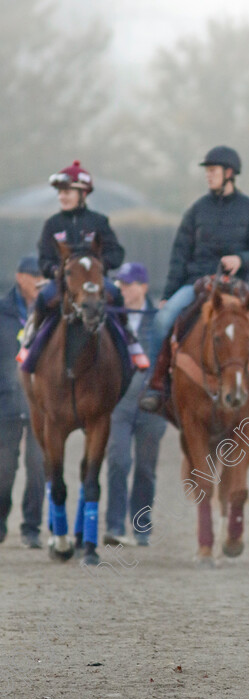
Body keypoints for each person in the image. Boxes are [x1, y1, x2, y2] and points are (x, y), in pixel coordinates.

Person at [140, 145, 249, 412]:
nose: (208, 176)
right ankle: (154, 385)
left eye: (212, 171)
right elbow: (179, 256)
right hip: (196, 283)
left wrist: (241, 260)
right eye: (207, 171)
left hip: (238, 285)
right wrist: (167, 296)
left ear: (229, 173)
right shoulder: (196, 210)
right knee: (162, 321)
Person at [21, 160, 146, 368]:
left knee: (115, 295)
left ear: (84, 194)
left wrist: (99, 267)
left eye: (67, 192)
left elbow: (116, 252)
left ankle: (131, 342)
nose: (62, 197)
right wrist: (54, 271)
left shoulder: (99, 222)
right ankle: (30, 342)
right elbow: (44, 258)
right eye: (60, 193)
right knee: (43, 297)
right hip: (64, 282)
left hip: (94, 280)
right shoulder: (52, 224)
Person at [103, 263, 166, 547]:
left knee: (145, 468)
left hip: (152, 406)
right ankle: (114, 526)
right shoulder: (111, 319)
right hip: (118, 404)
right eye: (120, 285)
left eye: (127, 284)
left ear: (143, 286)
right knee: (117, 460)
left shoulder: (161, 320)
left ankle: (141, 527)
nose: (122, 290)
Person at [0, 256, 45, 548]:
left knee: (38, 466)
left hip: (40, 404)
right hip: (6, 402)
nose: (40, 282)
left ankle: (31, 529)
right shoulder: (2, 312)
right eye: (34, 276)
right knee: (5, 467)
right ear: (20, 277)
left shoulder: (51, 313)